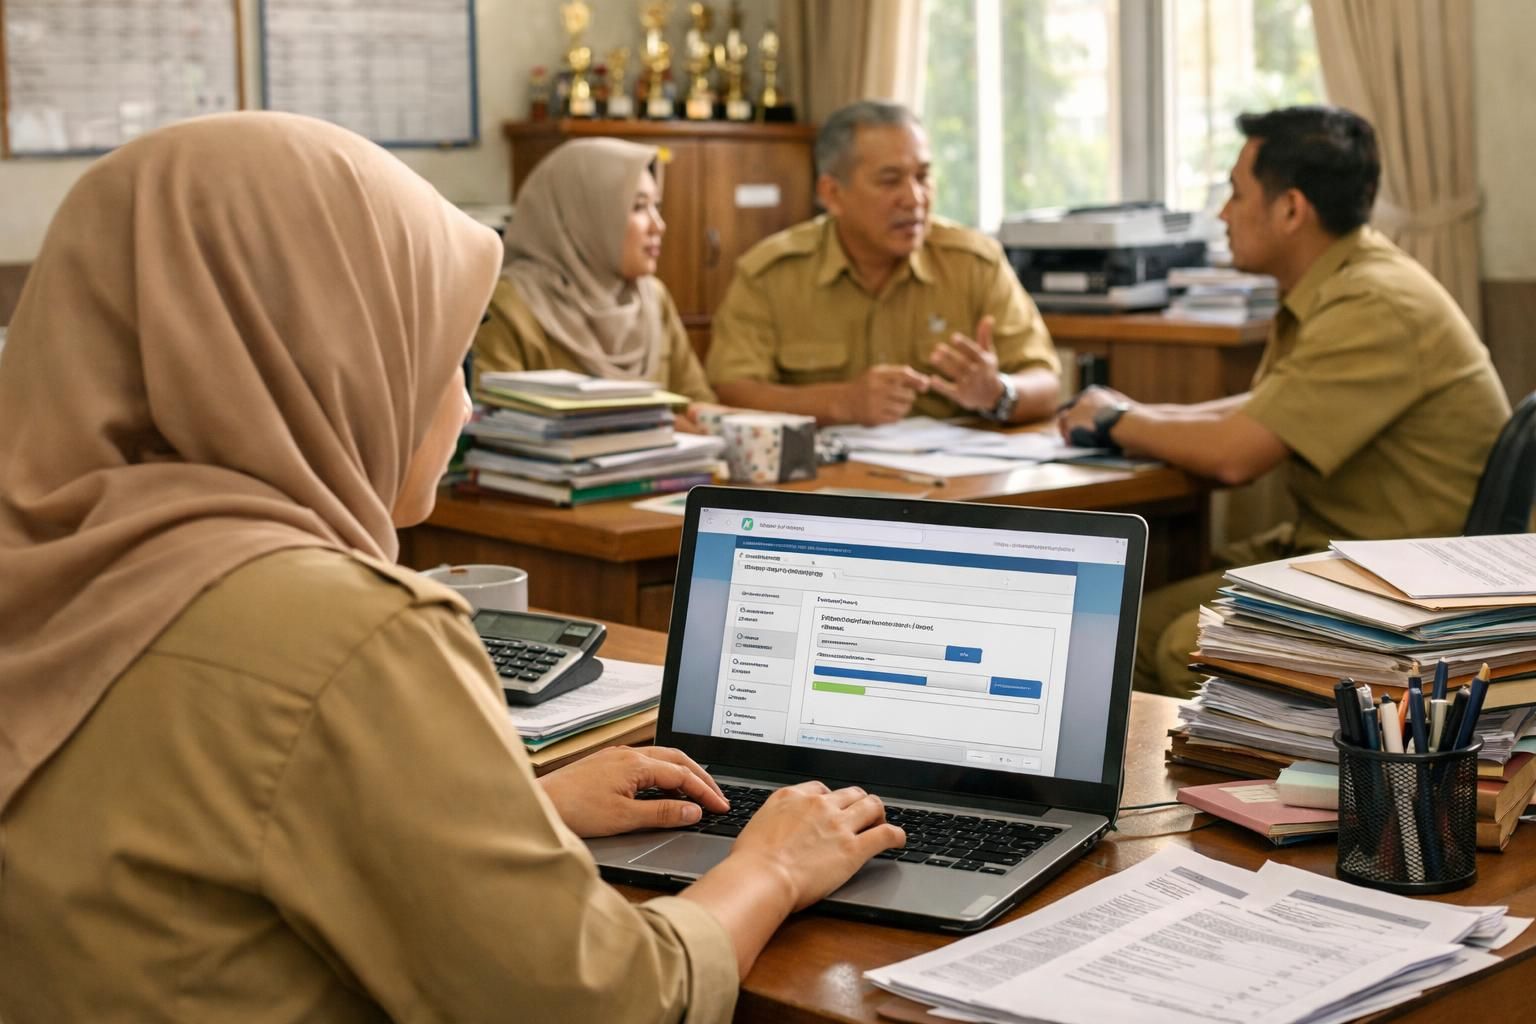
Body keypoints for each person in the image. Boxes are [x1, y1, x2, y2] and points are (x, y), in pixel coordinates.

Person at [0, 113, 903, 1023]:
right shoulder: (346, 631)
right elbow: (608, 1004)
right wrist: (773, 864)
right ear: (330, 355)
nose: (467, 403)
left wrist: (516, 810)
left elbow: (208, 830)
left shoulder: (51, 570)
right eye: (441, 353)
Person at [1058, 106, 1510, 698]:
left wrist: (1117, 421)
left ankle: (1210, 794)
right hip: (1360, 562)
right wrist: (1130, 412)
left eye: (1236, 193)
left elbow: (1234, 455)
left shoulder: (1373, 304)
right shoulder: (1343, 281)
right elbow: (1261, 407)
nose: (1223, 213)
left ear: (1292, 209)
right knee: (1126, 627)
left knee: (1180, 649)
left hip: (1414, 590)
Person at [706, 100, 1060, 427]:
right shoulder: (771, 273)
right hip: (824, 486)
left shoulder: (974, 264)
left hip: (956, 487)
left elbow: (1045, 381)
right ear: (832, 194)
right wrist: (841, 402)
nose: (914, 198)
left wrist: (998, 392)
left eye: (922, 177)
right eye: (890, 181)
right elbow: (731, 390)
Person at [475, 137, 719, 430]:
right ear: (583, 215)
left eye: (657, 206)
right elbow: (497, 426)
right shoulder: (508, 305)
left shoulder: (652, 297)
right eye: (639, 208)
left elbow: (696, 402)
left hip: (671, 474)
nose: (658, 226)